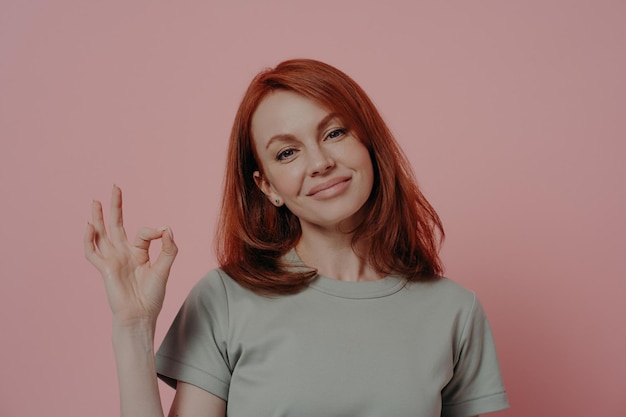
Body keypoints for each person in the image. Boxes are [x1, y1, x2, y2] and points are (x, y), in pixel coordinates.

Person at [85, 59, 509, 417]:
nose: (321, 162)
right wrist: (132, 326)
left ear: (369, 144)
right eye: (287, 152)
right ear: (267, 186)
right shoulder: (225, 298)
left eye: (334, 133)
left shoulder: (455, 311)